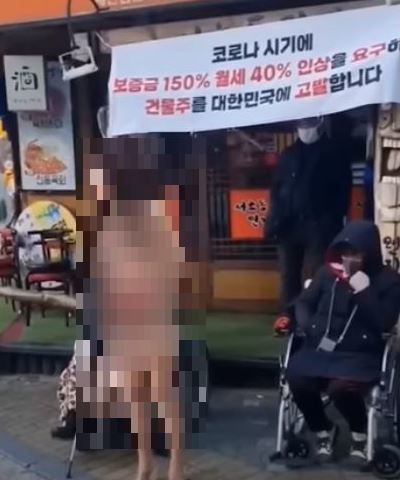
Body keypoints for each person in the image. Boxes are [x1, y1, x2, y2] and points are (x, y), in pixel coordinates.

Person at [284, 220, 400, 462]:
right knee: (297, 377)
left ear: (370, 253)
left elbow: (383, 323)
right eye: (345, 253)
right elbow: (304, 302)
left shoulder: (389, 280)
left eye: (356, 254)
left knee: (341, 387)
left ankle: (359, 433)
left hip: (360, 353)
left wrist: (364, 291)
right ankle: (323, 429)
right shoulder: (327, 273)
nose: (349, 259)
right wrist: (308, 326)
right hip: (320, 347)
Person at [266, 117, 352, 328]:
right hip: (288, 224)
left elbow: (343, 190)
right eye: (301, 126)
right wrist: (275, 217)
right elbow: (276, 189)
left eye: (308, 125)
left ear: (319, 125)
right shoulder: (289, 153)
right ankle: (287, 320)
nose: (305, 130)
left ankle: (313, 321)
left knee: (315, 274)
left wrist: (333, 218)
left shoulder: (334, 153)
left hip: (319, 224)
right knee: (288, 275)